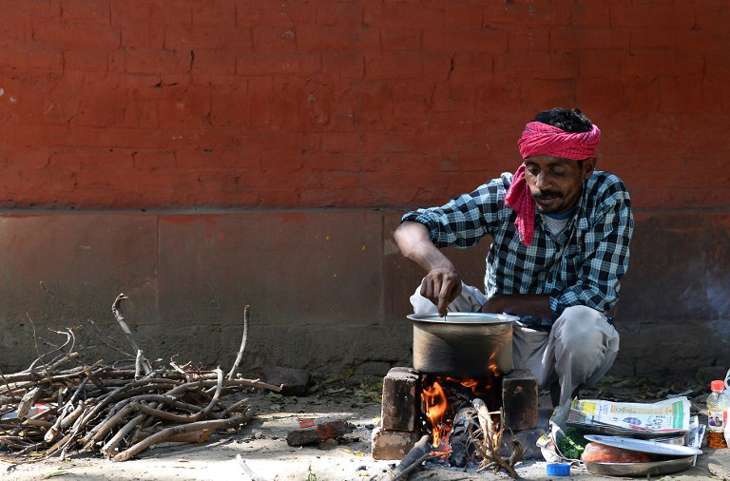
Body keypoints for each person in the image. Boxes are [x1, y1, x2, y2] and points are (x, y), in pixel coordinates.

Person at [393, 108, 634, 422]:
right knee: (428, 297)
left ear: (587, 168)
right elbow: (410, 228)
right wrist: (439, 265)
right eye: (533, 168)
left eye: (557, 171)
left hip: (557, 344)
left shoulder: (608, 197)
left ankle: (561, 410)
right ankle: (457, 405)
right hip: (498, 339)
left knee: (583, 324)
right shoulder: (509, 192)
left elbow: (598, 295)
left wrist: (510, 303)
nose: (540, 184)